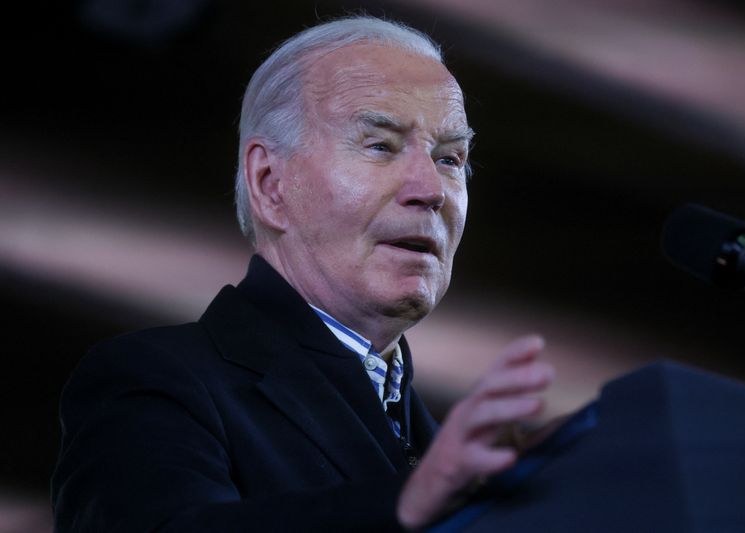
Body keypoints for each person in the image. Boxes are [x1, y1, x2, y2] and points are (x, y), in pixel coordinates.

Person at [51, 16, 555, 532]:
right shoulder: (154, 379)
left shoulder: (436, 444)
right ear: (271, 184)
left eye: (450, 158)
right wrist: (407, 503)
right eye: (380, 145)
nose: (431, 190)